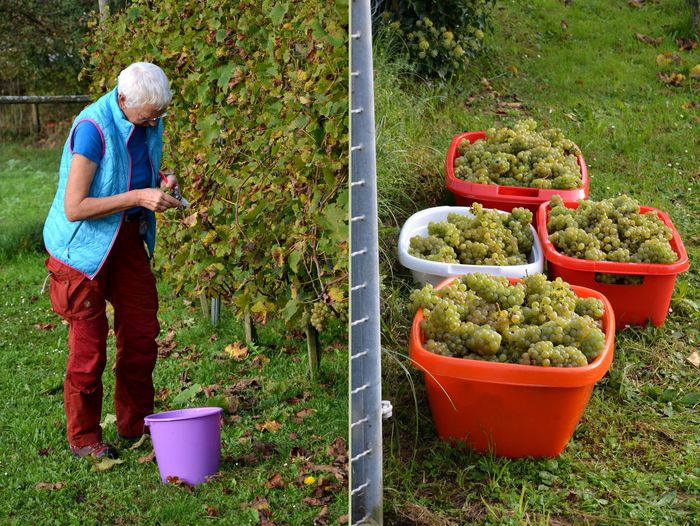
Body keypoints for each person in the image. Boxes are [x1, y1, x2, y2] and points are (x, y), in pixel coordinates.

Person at [43, 62, 183, 460]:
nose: (155, 122)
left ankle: (135, 424)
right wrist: (140, 198)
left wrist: (159, 179)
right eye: (148, 115)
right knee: (89, 351)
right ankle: (84, 438)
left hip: (125, 238)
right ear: (122, 100)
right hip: (81, 249)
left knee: (141, 333)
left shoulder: (147, 116)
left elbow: (132, 169)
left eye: (160, 115)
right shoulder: (91, 129)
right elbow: (75, 206)